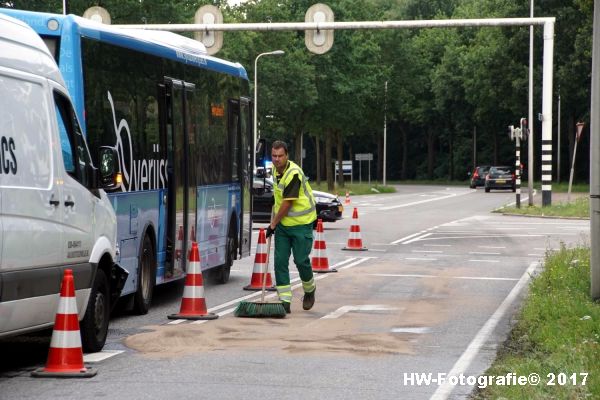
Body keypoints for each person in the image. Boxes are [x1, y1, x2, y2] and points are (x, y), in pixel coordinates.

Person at [265, 140, 317, 314]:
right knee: (280, 262)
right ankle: (285, 301)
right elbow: (279, 196)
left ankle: (309, 291)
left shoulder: (293, 173)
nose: (277, 159)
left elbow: (287, 203)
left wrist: (272, 224)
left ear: (287, 155)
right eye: (274, 156)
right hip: (284, 227)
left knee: (301, 260)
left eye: (280, 156)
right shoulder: (274, 170)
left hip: (302, 224)